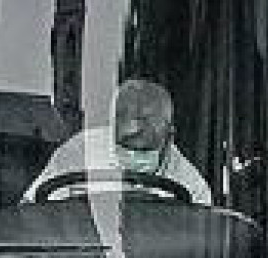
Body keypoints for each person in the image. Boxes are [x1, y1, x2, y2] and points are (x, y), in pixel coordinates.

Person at [25, 78, 214, 205]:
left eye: (144, 149)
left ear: (169, 135)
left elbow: (201, 245)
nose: (135, 129)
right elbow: (32, 212)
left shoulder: (191, 184)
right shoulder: (78, 152)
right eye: (125, 142)